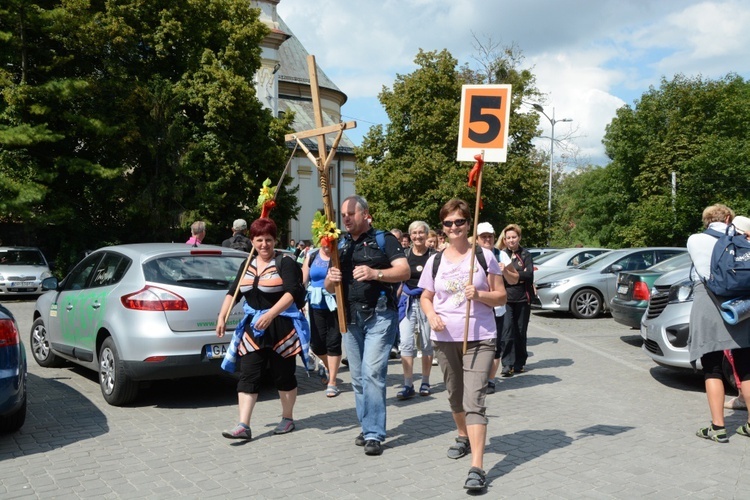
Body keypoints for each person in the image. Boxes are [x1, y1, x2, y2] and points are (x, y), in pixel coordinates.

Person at [418, 199, 506, 491]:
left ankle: (477, 468)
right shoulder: (435, 260)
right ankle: (462, 435)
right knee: (455, 397)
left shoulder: (484, 256)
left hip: (480, 337)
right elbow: (426, 297)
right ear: (441, 227)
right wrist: (431, 316)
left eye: (459, 222)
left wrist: (479, 294)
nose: (454, 227)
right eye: (448, 223)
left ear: (469, 223)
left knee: (474, 401)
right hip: (444, 340)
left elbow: (501, 296)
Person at [325, 195, 409, 456]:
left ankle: (374, 433)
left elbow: (404, 271)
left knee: (373, 373)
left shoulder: (384, 239)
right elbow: (328, 286)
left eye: (351, 213)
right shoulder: (339, 245)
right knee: (358, 378)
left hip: (379, 316)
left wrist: (376, 274)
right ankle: (366, 426)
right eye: (343, 215)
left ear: (366, 214)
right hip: (349, 318)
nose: (346, 218)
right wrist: (330, 278)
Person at [215, 217, 309, 440]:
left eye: (268, 239)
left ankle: (287, 418)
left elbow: (292, 292)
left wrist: (271, 314)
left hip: (281, 326)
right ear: (252, 241)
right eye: (259, 239)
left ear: (275, 240)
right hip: (253, 328)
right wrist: (221, 317)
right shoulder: (247, 264)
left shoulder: (285, 262)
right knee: (248, 374)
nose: (264, 244)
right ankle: (243, 425)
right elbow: (233, 292)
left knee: (283, 375)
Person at [688, 205, 750, 443]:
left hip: (709, 304)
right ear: (728, 218)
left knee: (712, 366)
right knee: (747, 366)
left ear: (706, 221)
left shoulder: (696, 240)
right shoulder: (741, 238)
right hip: (742, 307)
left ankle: (718, 428)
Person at [475, 222, 518, 394]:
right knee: (477, 344)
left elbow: (515, 279)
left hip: (497, 308)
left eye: (490, 236)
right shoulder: (471, 256)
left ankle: (491, 381)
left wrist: (504, 271)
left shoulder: (501, 255)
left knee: (495, 345)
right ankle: (478, 378)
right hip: (476, 308)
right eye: (483, 236)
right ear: (477, 239)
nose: (487, 239)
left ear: (494, 237)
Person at [396, 221, 436, 399]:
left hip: (428, 301)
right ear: (409, 236)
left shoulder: (435, 256)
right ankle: (408, 384)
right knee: (405, 342)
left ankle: (425, 381)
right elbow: (398, 277)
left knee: (426, 343)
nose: (418, 236)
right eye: (414, 233)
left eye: (421, 233)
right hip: (407, 301)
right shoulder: (404, 255)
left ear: (427, 235)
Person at [302, 243, 342, 397]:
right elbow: (302, 278)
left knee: (333, 342)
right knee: (317, 345)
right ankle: (328, 367)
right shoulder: (312, 255)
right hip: (315, 303)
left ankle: (332, 381)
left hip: (335, 305)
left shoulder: (339, 256)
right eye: (325, 243)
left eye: (331, 243)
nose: (328, 246)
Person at [498, 224, 534, 377]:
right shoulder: (500, 255)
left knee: (520, 331)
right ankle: (507, 364)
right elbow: (498, 277)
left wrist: (512, 274)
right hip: (506, 299)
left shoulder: (525, 254)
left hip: (522, 299)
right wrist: (519, 275)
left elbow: (529, 276)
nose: (511, 240)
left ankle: (519, 363)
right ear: (504, 240)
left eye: (514, 237)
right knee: (507, 331)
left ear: (519, 238)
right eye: (508, 238)